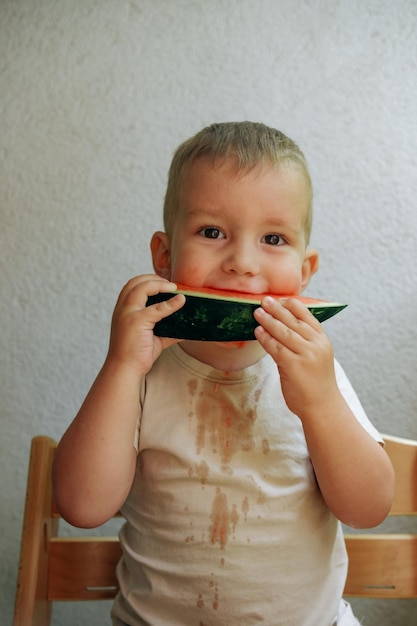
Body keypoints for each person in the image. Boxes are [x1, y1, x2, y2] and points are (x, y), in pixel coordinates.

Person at [53, 122, 394, 626]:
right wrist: (122, 365)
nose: (242, 263)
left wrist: (320, 402)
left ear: (305, 272)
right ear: (164, 257)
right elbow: (81, 507)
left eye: (273, 238)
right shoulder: (139, 377)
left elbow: (367, 509)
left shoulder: (316, 376)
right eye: (212, 232)